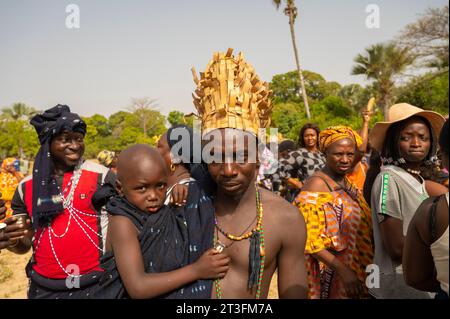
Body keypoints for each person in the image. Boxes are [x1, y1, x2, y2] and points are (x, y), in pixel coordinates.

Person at [191, 48, 308, 299]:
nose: (229, 170)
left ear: (258, 158)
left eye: (240, 156)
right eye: (216, 158)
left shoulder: (286, 218)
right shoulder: (188, 208)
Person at [2, 104, 115, 298]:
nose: (75, 145)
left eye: (79, 139)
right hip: (44, 288)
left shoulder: (102, 177)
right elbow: (23, 244)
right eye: (65, 139)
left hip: (97, 285)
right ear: (48, 143)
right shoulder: (26, 187)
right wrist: (9, 239)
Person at [91, 144, 229, 299]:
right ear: (120, 188)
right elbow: (138, 287)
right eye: (142, 188)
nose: (153, 196)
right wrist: (197, 270)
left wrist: (176, 208)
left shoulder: (159, 210)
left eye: (160, 186)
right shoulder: (122, 222)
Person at [364, 103, 445, 299]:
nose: (416, 143)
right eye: (406, 137)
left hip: (419, 284)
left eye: (423, 138)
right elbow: (397, 248)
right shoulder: (389, 179)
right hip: (399, 285)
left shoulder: (416, 180)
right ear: (393, 142)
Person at [295, 126, 374, 299]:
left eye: (350, 154)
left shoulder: (345, 182)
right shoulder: (317, 186)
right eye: (338, 154)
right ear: (325, 154)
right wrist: (343, 271)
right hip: (337, 276)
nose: (345, 159)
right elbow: (310, 240)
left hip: (360, 268)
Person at [403, 118, 449, 299]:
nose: (416, 144)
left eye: (422, 137)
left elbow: (415, 277)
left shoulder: (431, 211)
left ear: (443, 157)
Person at [276, 123, 325, 199]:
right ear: (302, 138)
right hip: (308, 197)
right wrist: (297, 183)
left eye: (312, 135)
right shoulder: (299, 154)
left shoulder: (322, 154)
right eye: (306, 136)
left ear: (318, 137)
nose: (309, 138)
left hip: (324, 195)